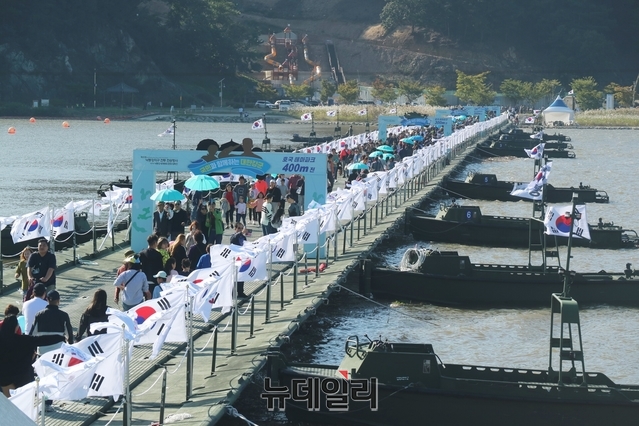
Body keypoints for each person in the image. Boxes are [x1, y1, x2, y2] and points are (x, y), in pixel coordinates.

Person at [0, 316, 65, 398]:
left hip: (5, 376)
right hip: (23, 375)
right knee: (23, 401)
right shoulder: (24, 340)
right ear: (16, 327)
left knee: (10, 402)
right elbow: (42, 340)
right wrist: (60, 338)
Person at [29, 290, 73, 355]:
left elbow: (32, 334)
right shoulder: (64, 315)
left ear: (47, 300)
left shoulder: (39, 315)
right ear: (59, 301)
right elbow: (69, 335)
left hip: (42, 351)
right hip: (58, 350)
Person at [229, 222, 248, 298]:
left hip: (242, 258)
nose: (240, 230)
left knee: (241, 275)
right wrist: (241, 233)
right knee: (234, 276)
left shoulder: (243, 237)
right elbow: (233, 240)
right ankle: (232, 292)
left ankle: (240, 292)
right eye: (239, 228)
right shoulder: (233, 236)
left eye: (241, 228)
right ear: (235, 229)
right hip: (235, 258)